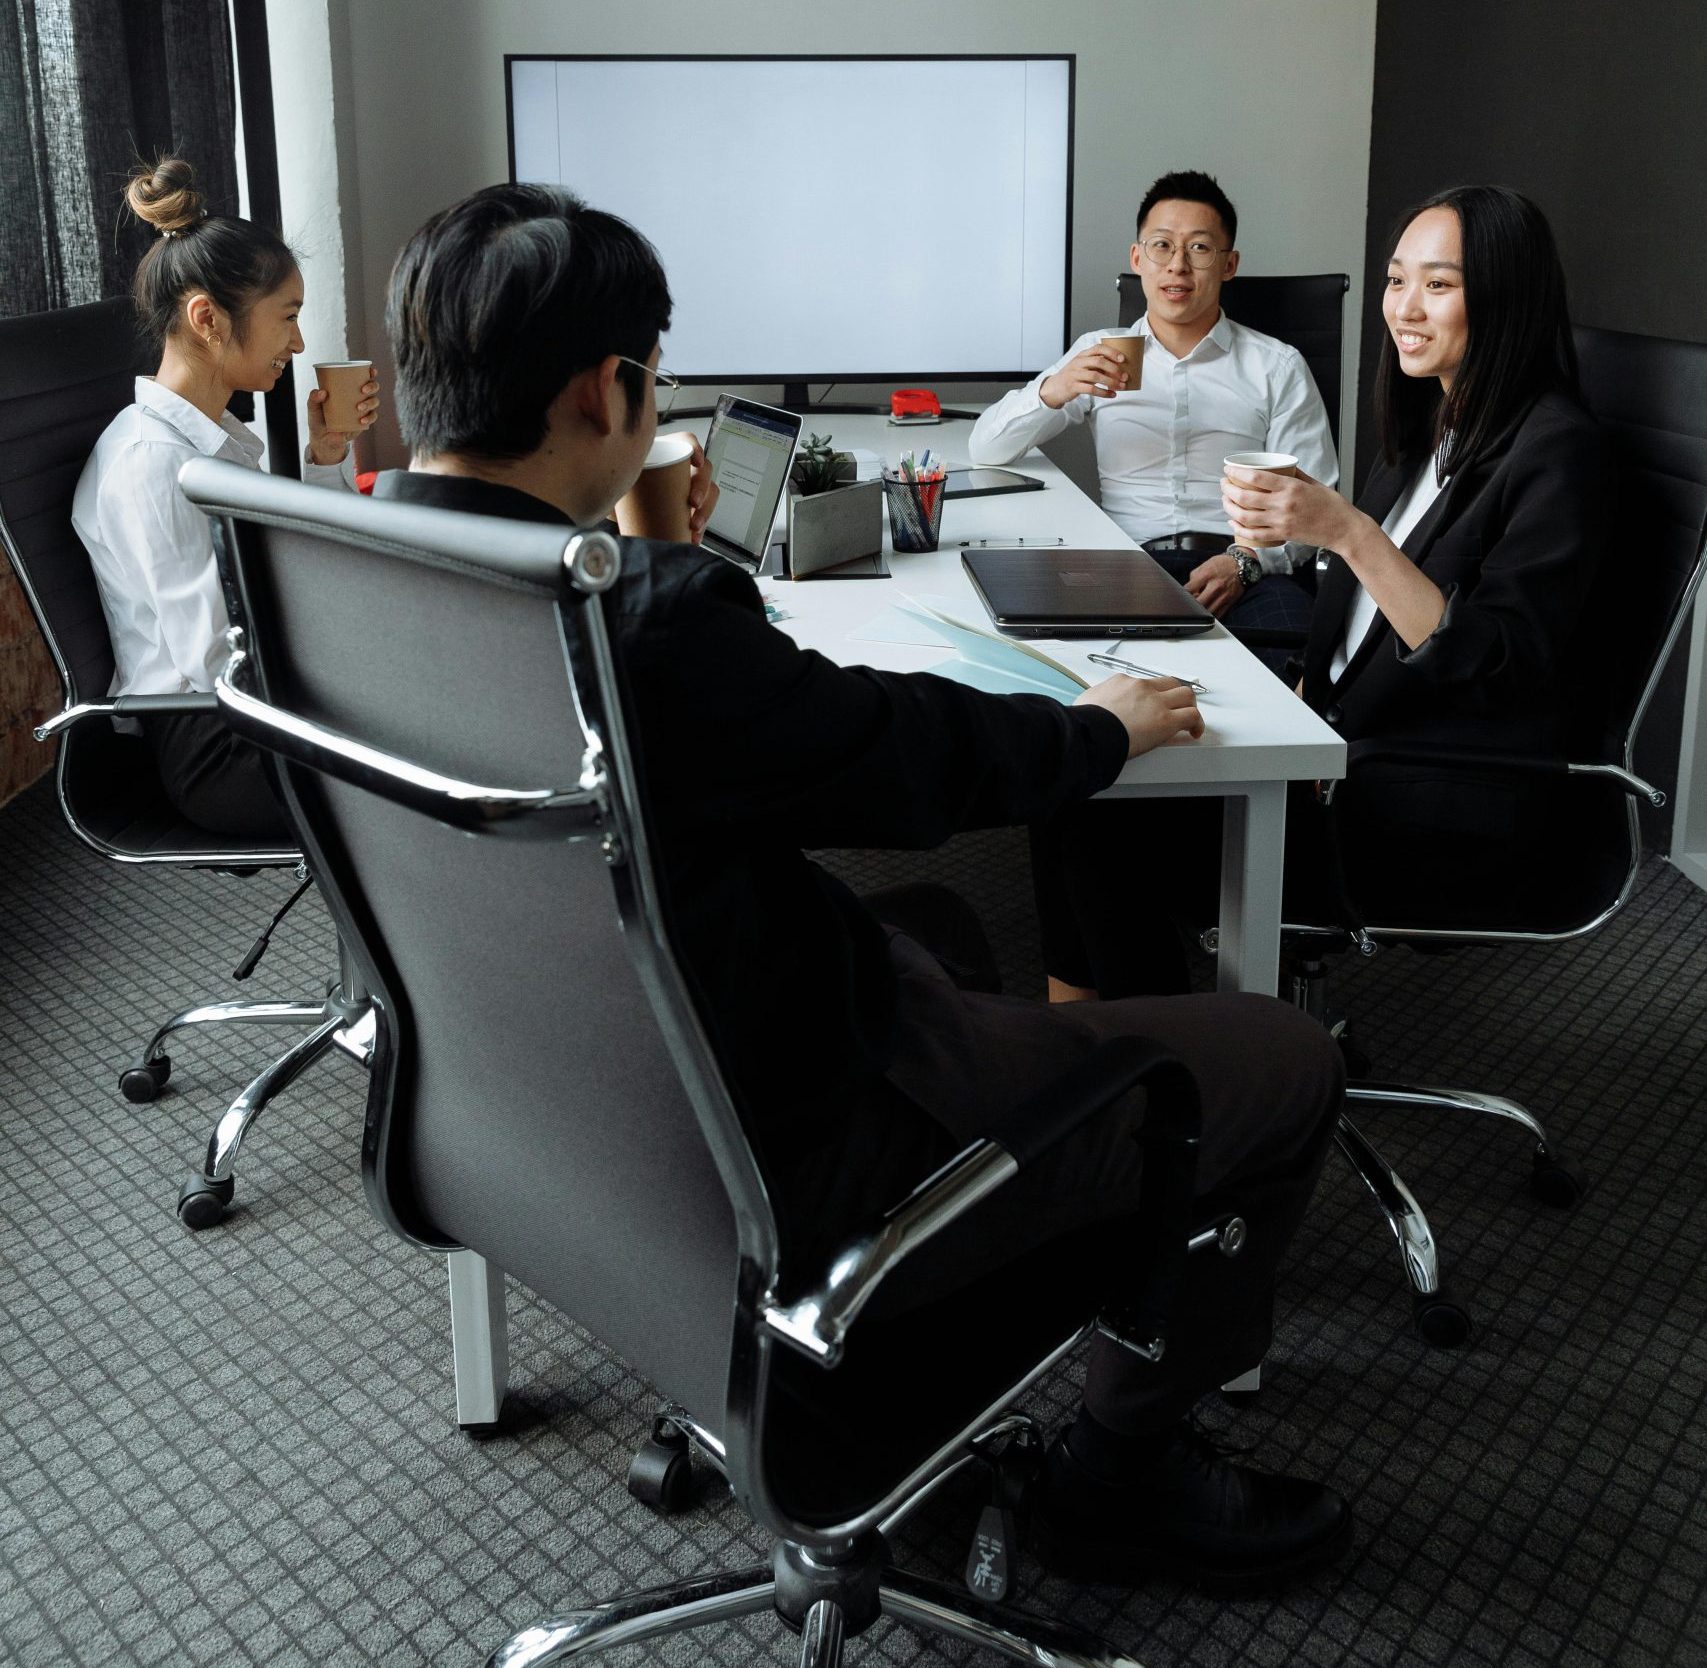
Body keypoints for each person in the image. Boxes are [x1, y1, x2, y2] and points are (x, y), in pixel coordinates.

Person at [375, 181, 1352, 1591]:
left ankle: (902, 1354)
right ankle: (1113, 1473)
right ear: (611, 389)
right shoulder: (647, 622)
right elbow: (897, 757)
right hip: (778, 1153)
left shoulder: (378, 586)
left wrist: (656, 551)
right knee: (1277, 1055)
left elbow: (695, 743)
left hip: (547, 1123)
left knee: (942, 921)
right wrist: (1096, 730)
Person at [1037, 183, 1612, 1002]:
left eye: (1438, 285)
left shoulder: (1557, 452)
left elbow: (1497, 664)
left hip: (1423, 799)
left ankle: (1165, 1075)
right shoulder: (1429, 432)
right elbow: (1353, 616)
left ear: (1505, 295)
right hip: (1340, 743)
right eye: (1394, 280)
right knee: (1079, 768)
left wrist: (1345, 531)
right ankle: (1087, 1040)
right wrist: (1306, 693)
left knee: (1092, 801)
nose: (1404, 309)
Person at [71, 157, 380, 841]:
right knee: (436, 760)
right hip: (219, 748)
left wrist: (327, 452)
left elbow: (290, 567)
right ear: (208, 319)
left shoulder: (213, 445)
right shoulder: (156, 463)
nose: (297, 343)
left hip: (256, 709)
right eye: (288, 318)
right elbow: (220, 659)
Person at [968, 169, 1336, 638]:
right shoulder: (1101, 350)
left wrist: (1245, 563)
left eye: (1199, 248)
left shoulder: (1277, 366)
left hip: (1243, 569)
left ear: (1229, 265)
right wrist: (1054, 390)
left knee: (1300, 647)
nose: (1177, 266)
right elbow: (986, 448)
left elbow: (1318, 505)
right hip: (1125, 563)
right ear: (1138, 258)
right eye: (1162, 246)